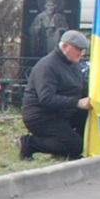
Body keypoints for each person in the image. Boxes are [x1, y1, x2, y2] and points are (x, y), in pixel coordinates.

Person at [21, 28, 91, 161]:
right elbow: (46, 98)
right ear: (65, 46)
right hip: (41, 116)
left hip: (63, 112)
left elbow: (81, 88)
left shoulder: (73, 64)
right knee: (75, 145)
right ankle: (30, 144)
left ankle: (65, 147)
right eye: (78, 50)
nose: (81, 53)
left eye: (83, 50)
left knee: (88, 118)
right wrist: (77, 103)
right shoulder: (48, 66)